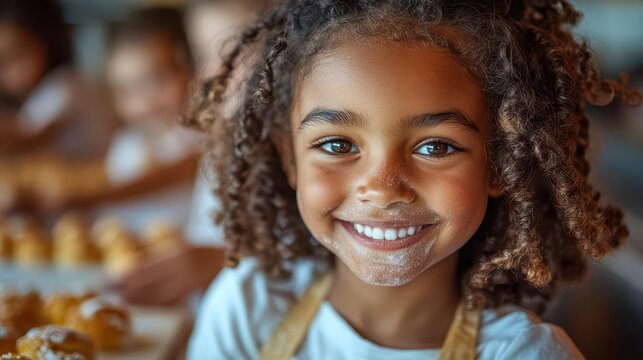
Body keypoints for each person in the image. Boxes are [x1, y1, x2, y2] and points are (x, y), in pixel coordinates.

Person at [186, 0, 642, 358]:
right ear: (290, 157)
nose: (383, 188)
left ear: (502, 163)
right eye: (337, 145)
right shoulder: (249, 305)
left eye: (435, 146)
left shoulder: (524, 355)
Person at [0, 0, 113, 159]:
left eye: (17, 55)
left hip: (91, 176)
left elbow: (28, 139)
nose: (10, 71)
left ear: (46, 40)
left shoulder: (65, 84)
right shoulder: (32, 97)